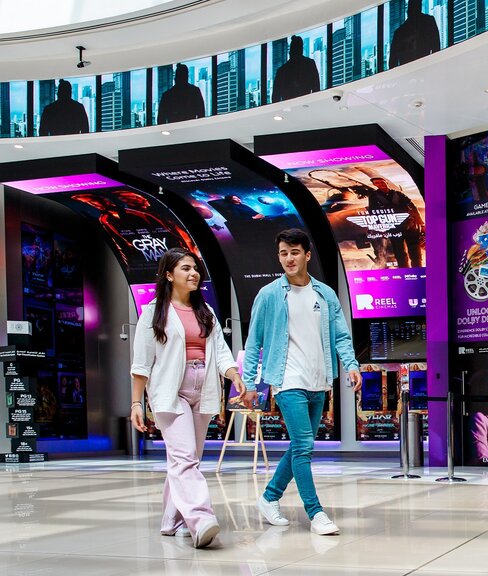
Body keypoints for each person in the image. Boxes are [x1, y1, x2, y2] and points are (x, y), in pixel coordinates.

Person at [241, 229, 362, 535]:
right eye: (283, 253)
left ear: (307, 255)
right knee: (305, 447)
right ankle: (316, 512)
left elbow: (341, 335)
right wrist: (250, 383)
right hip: (287, 380)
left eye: (294, 252)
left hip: (319, 381)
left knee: (300, 445)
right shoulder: (269, 294)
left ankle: (269, 497)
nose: (288, 258)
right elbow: (253, 342)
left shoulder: (325, 294)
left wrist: (351, 365)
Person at [130, 248, 243, 548]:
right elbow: (141, 363)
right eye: (186, 268)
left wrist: (234, 375)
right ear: (169, 275)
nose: (194, 273)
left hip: (203, 389)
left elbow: (221, 351)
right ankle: (200, 518)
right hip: (170, 391)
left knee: (187, 458)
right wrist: (136, 403)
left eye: (195, 268)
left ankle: (171, 520)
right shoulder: (153, 312)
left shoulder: (206, 312)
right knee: (184, 457)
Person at [388, 0, 440, 68]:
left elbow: (392, 62)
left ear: (408, 10)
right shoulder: (429, 21)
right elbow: (436, 48)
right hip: (424, 67)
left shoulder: (398, 33)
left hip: (411, 70)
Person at [272, 36, 320, 103]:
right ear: (301, 49)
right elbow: (316, 89)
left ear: (290, 51)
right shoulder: (310, 64)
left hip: (289, 106)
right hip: (306, 104)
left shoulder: (281, 71)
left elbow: (275, 98)